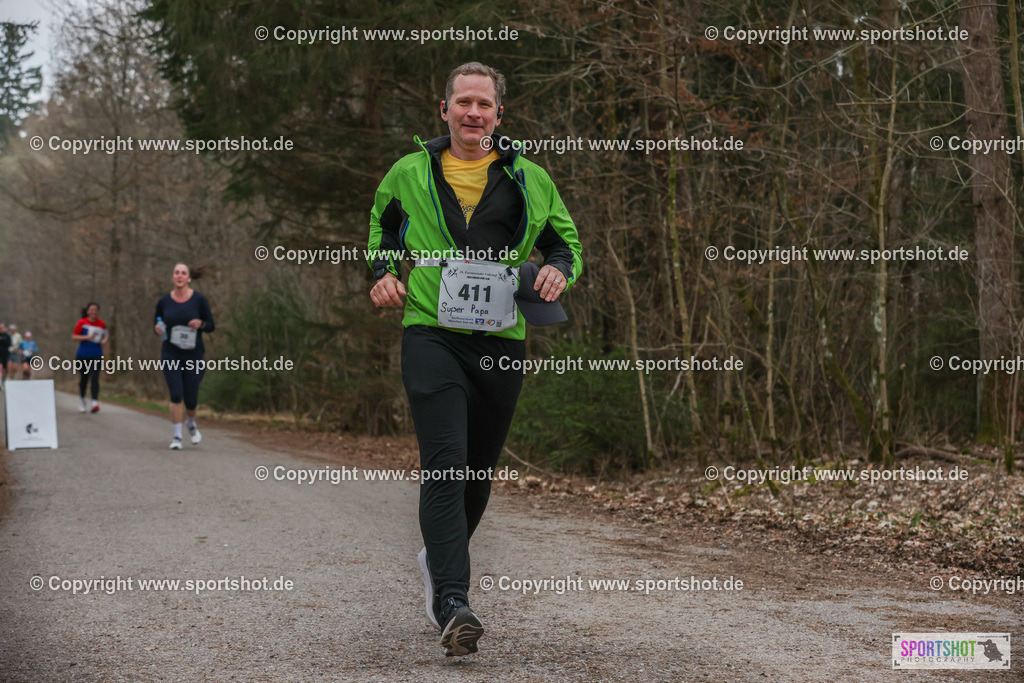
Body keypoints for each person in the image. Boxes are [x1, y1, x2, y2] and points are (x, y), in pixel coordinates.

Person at [367, 62, 582, 657]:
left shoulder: (530, 178)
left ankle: (435, 559)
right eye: (462, 102)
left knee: (477, 474)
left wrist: (560, 275)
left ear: (498, 114)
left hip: (501, 339)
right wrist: (383, 273)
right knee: (446, 462)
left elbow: (566, 244)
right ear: (444, 111)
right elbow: (381, 234)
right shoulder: (409, 173)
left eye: (483, 104)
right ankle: (453, 602)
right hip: (431, 333)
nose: (473, 113)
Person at [154, 263, 215, 450]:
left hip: (194, 354)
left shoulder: (199, 300)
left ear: (189, 278)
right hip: (170, 353)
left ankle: (191, 422)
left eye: (183, 273)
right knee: (176, 394)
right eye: (176, 273)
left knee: (191, 398)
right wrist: (158, 330)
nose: (179, 276)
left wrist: (201, 324)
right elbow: (157, 324)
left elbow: (211, 325)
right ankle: (177, 437)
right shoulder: (164, 302)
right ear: (173, 277)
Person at [72, 303, 108, 412]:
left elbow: (106, 334)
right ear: (88, 311)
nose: (94, 312)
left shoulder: (101, 323)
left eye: (96, 310)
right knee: (84, 379)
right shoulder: (82, 323)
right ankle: (83, 401)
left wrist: (104, 340)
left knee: (95, 378)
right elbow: (74, 336)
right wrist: (87, 337)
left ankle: (94, 403)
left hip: (96, 354)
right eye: (92, 310)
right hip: (83, 355)